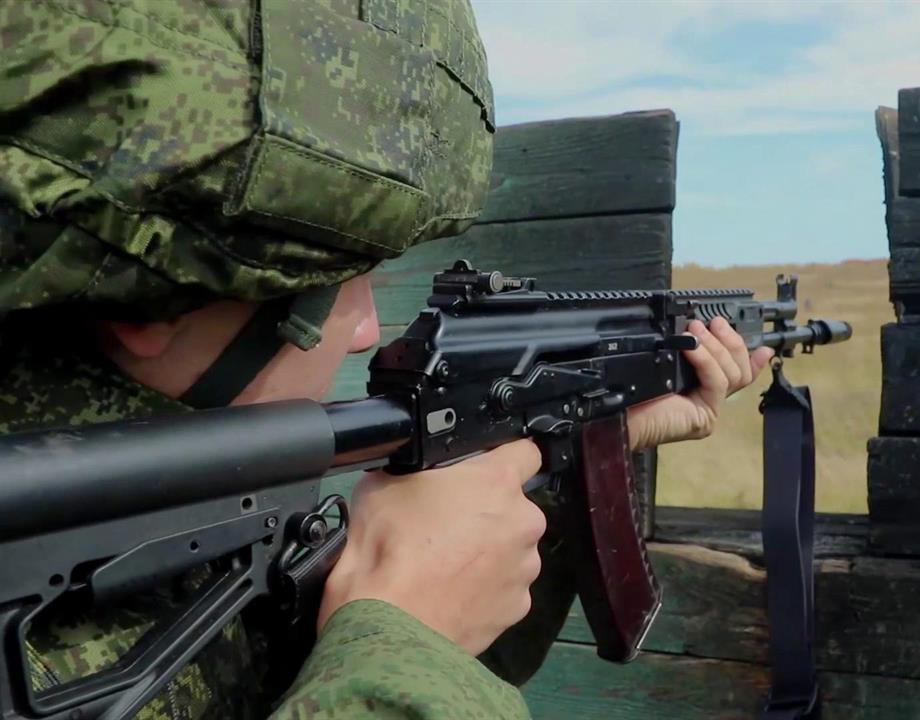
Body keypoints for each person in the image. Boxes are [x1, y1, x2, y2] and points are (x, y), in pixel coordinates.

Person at [0, 1, 771, 718]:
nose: (368, 327)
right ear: (155, 308)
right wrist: (402, 645)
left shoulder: (175, 517)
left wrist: (586, 443)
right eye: (336, 279)